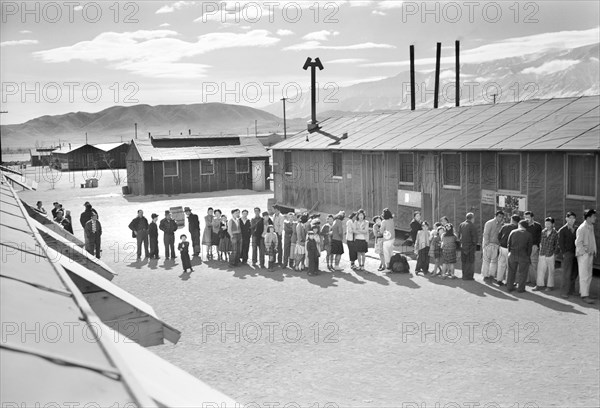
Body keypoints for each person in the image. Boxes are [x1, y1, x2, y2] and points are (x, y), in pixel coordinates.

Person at [575, 209, 597, 304]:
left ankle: (585, 292)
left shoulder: (590, 226)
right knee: (584, 275)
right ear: (588, 218)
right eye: (593, 216)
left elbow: (592, 239)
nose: (595, 218)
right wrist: (584, 252)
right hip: (584, 255)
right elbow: (578, 242)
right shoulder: (582, 228)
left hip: (590, 254)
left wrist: (594, 250)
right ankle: (584, 295)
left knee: (589, 274)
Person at [533, 217, 559, 292]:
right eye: (546, 224)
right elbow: (540, 241)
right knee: (540, 269)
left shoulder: (555, 233)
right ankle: (539, 285)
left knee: (551, 270)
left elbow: (557, 244)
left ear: (553, 224)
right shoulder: (543, 232)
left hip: (551, 253)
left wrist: (555, 253)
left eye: (549, 224)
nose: (547, 225)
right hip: (542, 253)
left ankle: (550, 286)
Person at [506, 220, 533, 293]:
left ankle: (509, 287)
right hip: (523, 255)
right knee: (523, 273)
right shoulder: (528, 235)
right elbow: (529, 248)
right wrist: (528, 256)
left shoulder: (513, 232)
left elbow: (508, 244)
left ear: (519, 225)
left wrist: (510, 252)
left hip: (512, 254)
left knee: (511, 272)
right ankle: (521, 289)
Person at [558, 212, 577, 299]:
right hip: (568, 253)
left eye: (573, 218)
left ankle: (571, 290)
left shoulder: (577, 229)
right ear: (566, 219)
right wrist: (564, 253)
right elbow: (560, 244)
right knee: (567, 273)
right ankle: (564, 291)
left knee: (574, 272)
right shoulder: (562, 230)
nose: (571, 220)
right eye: (570, 218)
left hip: (576, 253)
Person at [496, 215, 520, 286]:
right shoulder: (517, 228)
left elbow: (498, 236)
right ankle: (508, 282)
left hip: (502, 247)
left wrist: (501, 242)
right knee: (509, 266)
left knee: (501, 264)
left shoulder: (505, 226)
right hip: (510, 249)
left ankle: (499, 280)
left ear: (512, 220)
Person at [481, 210, 504, 282]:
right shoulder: (489, 223)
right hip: (489, 244)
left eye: (502, 217)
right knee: (486, 260)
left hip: (496, 244)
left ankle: (491, 275)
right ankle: (485, 275)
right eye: (499, 216)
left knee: (494, 261)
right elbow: (485, 234)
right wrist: (487, 244)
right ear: (496, 216)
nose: (500, 218)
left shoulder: (501, 224)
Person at [524, 211, 543, 285]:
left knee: (534, 264)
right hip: (525, 246)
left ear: (532, 217)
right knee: (526, 263)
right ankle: (527, 280)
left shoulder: (537, 226)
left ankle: (536, 281)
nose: (526, 219)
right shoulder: (524, 225)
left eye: (528, 217)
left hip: (534, 246)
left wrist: (537, 246)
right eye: (525, 217)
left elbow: (540, 236)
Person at [458, 212, 478, 280]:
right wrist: (474, 245)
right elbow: (475, 237)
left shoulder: (461, 224)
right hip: (470, 247)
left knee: (464, 262)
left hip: (463, 246)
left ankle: (464, 275)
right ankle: (469, 276)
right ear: (472, 218)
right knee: (470, 262)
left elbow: (459, 235)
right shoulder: (472, 225)